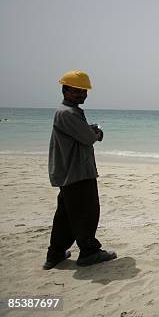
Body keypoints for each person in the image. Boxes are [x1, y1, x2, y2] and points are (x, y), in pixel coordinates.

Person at [44, 70, 117, 270]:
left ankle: (55, 253)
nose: (82, 95)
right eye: (77, 91)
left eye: (84, 91)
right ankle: (88, 252)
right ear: (65, 90)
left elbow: (83, 135)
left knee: (66, 215)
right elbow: (88, 138)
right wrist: (96, 132)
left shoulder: (69, 112)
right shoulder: (66, 113)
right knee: (87, 212)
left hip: (71, 172)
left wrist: (90, 131)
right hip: (76, 172)